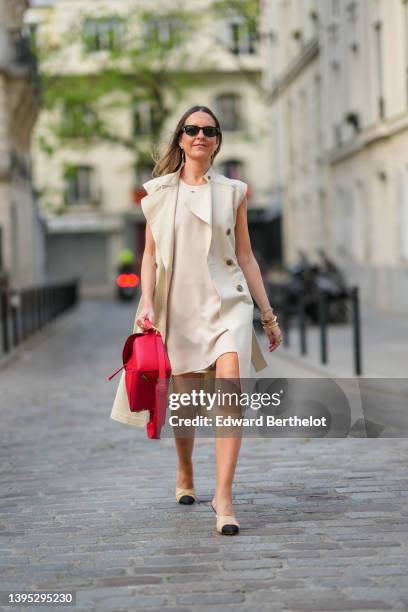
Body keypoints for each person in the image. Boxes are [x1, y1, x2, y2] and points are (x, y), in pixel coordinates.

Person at [111, 105, 282, 535]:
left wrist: (267, 313)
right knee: (185, 405)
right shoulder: (157, 193)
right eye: (192, 129)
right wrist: (146, 301)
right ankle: (185, 470)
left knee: (229, 394)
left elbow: (245, 256)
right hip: (179, 309)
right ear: (181, 139)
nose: (200, 135)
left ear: (217, 139)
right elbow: (149, 256)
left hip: (228, 307)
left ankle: (223, 498)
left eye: (208, 129)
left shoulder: (234, 191)